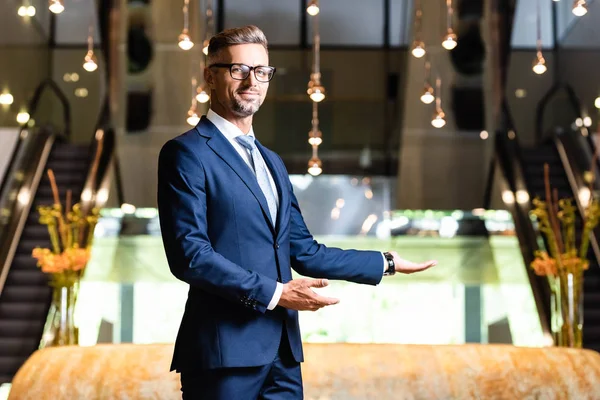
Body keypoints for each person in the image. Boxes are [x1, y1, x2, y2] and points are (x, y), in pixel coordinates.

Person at [157, 25, 437, 400]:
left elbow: (303, 251)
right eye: (238, 69)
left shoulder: (272, 163)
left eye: (261, 71)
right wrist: (277, 294)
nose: (250, 82)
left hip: (284, 356)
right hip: (223, 355)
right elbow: (189, 256)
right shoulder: (187, 153)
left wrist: (384, 262)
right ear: (211, 76)